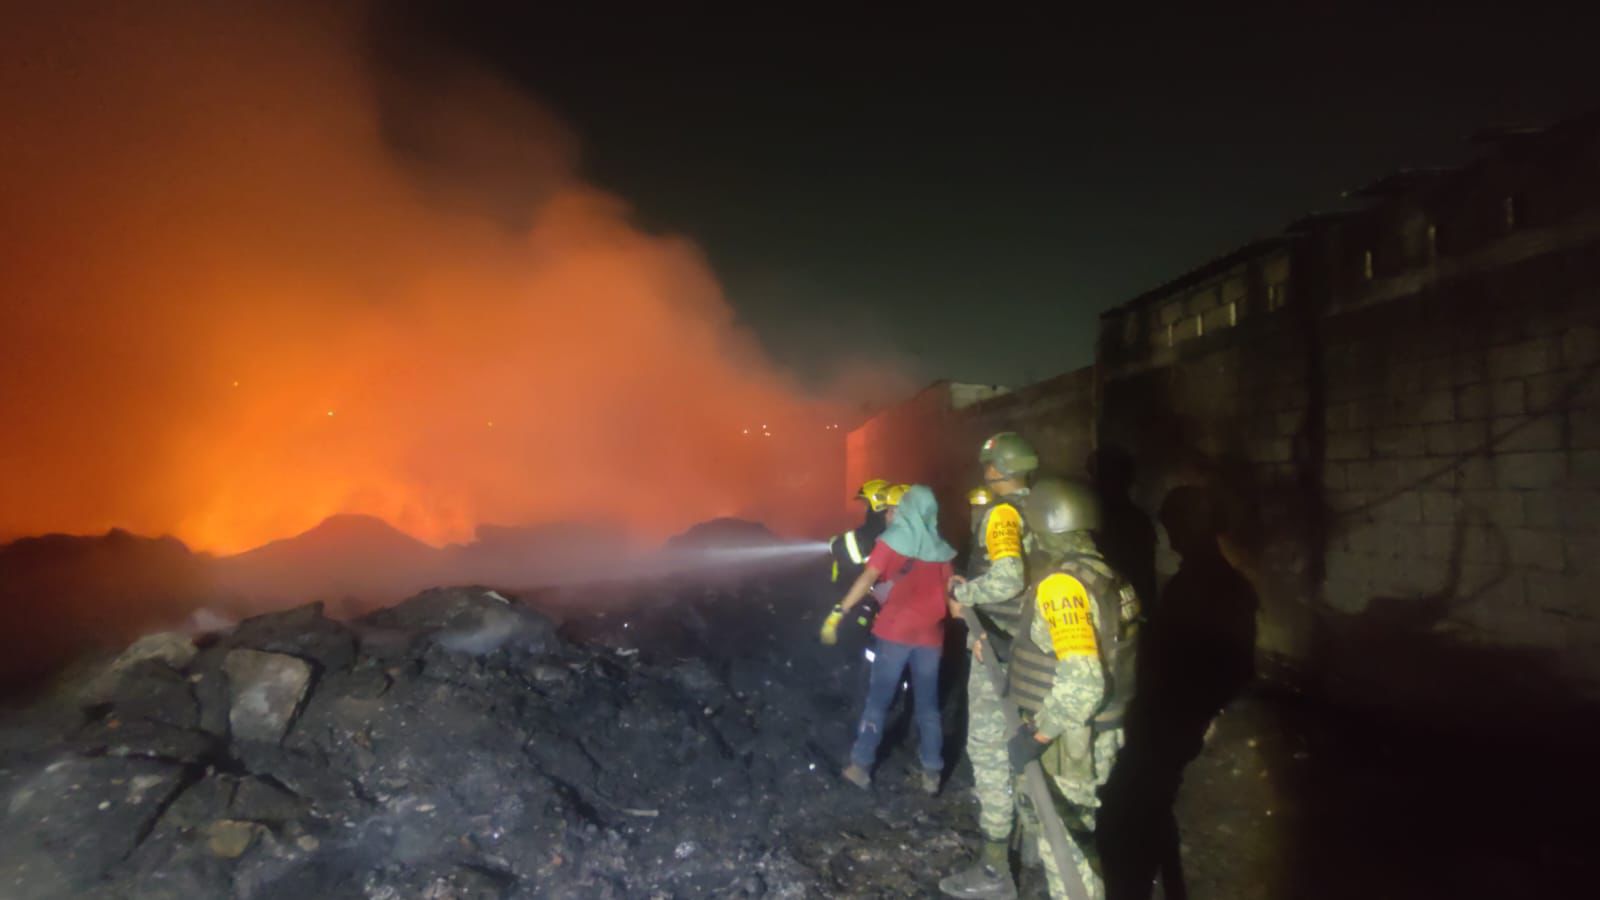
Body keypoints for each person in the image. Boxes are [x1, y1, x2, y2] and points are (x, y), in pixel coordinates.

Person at [1005, 477, 1142, 900]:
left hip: (1070, 735)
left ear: (1045, 525)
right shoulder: (1109, 574)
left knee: (1064, 844)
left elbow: (1082, 684)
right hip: (1106, 725)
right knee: (1079, 828)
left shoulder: (1063, 585)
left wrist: (1038, 734)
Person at [941, 432, 1039, 900]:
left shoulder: (1003, 512)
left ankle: (996, 868)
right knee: (1028, 746)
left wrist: (964, 595)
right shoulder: (1044, 508)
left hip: (998, 648)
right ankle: (1035, 847)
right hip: (1034, 652)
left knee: (989, 750)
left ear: (994, 469)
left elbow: (1007, 577)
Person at [823, 485, 954, 796]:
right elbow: (953, 596)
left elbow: (867, 578)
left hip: (894, 635)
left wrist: (840, 610)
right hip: (930, 638)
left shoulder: (890, 542)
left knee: (878, 701)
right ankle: (932, 773)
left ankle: (861, 767)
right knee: (928, 706)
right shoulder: (942, 548)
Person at [828, 478, 893, 585]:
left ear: (876, 504)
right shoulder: (895, 524)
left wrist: (834, 543)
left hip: (866, 595)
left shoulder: (874, 528)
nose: (864, 508)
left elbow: (844, 546)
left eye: (866, 504)